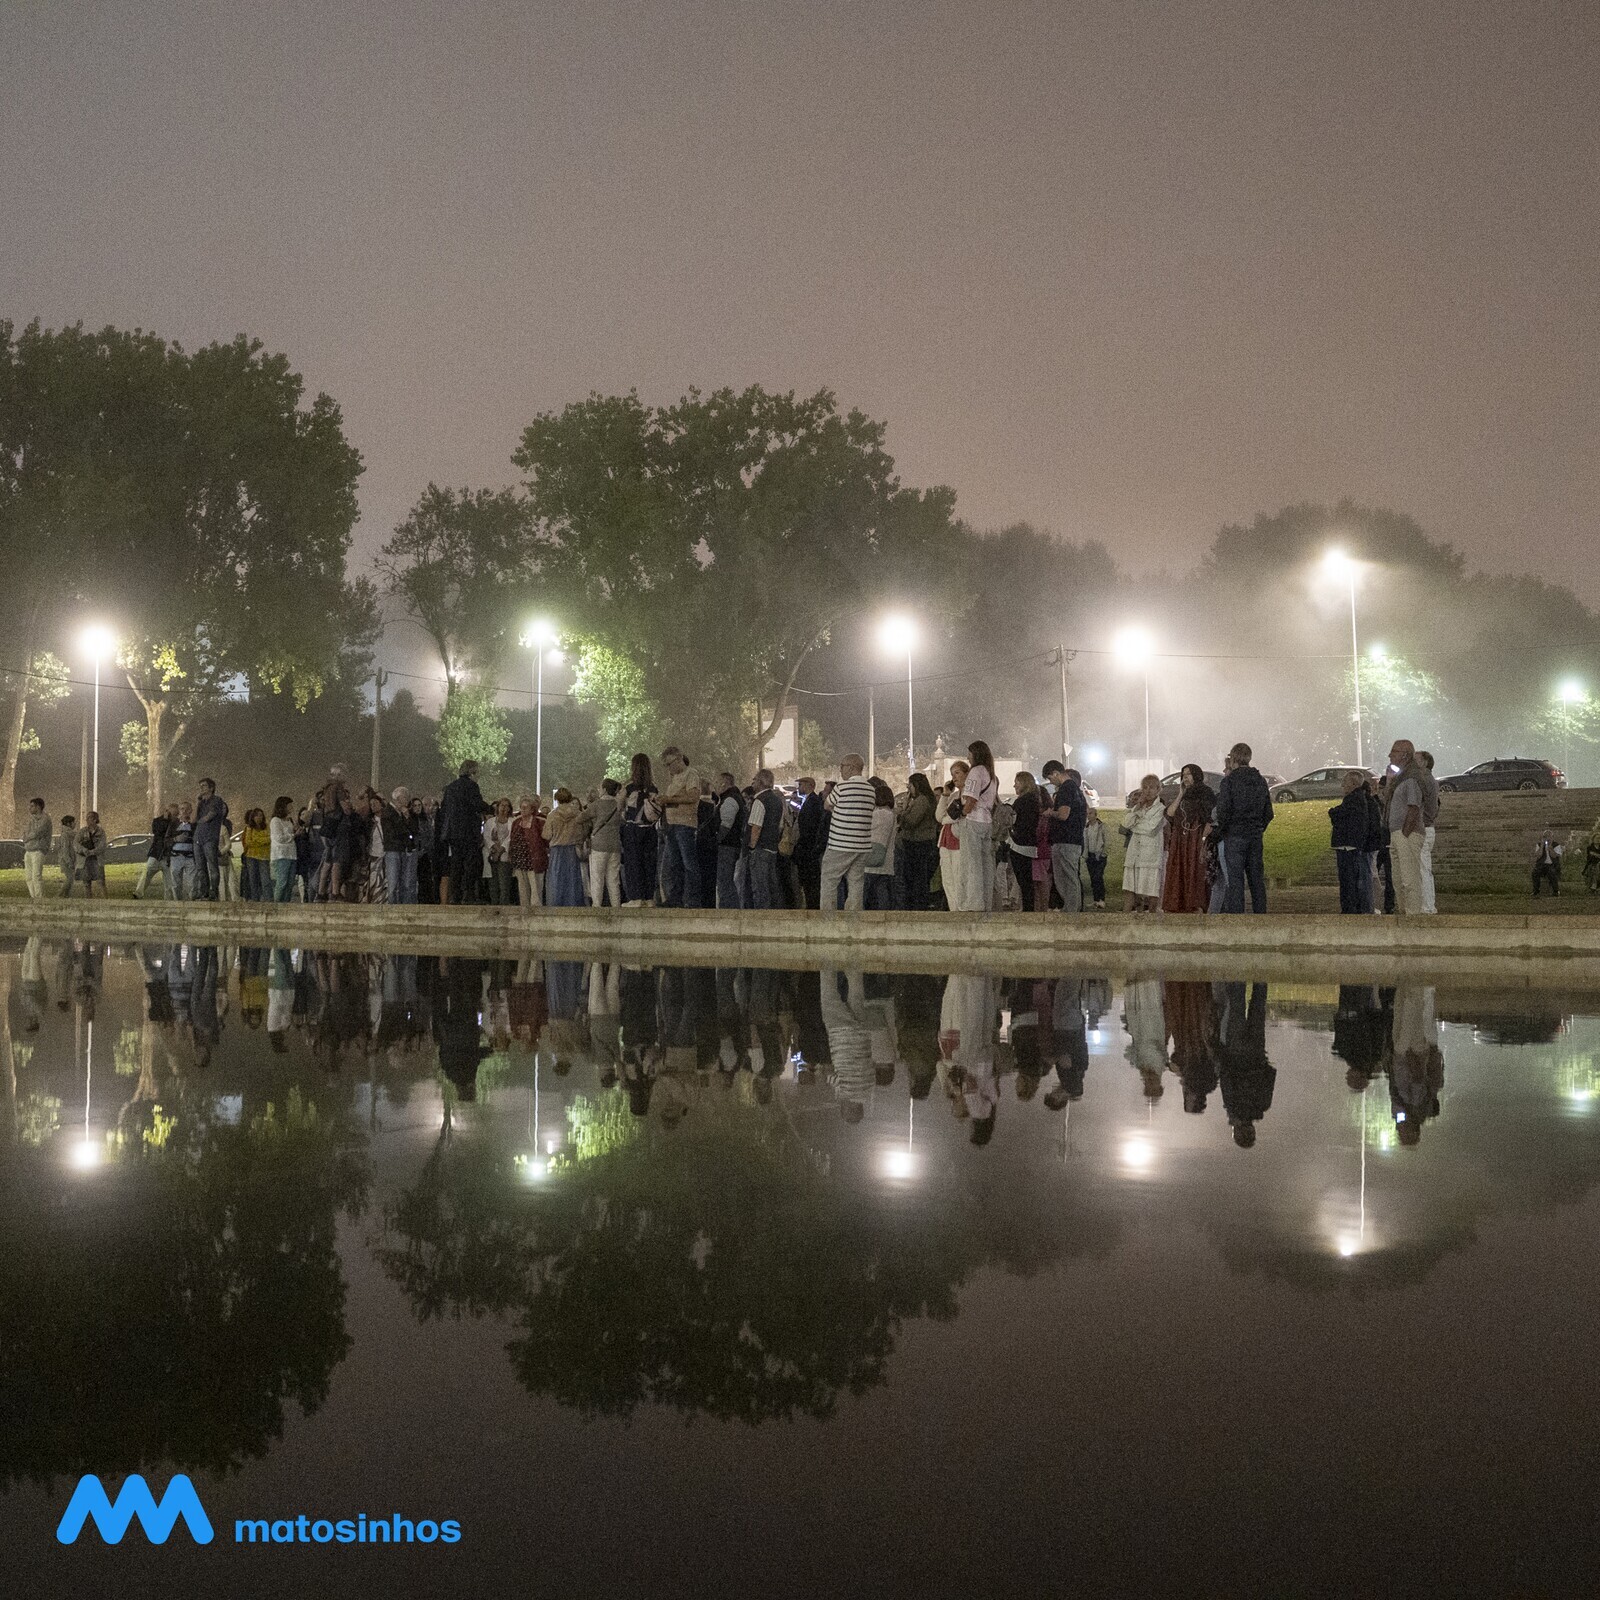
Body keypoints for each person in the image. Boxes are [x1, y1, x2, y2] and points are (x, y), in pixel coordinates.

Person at [1214, 742, 1273, 914]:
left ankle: (1237, 919)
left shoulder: (1229, 781)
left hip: (1234, 835)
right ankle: (1260, 916)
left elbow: (1223, 811)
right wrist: (1259, 827)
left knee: (1235, 881)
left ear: (1233, 758)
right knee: (1256, 880)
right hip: (1254, 835)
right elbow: (1268, 812)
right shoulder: (1260, 781)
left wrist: (1223, 830)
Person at [947, 741, 1000, 912]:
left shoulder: (976, 771)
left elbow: (971, 799)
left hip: (973, 820)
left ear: (976, 754)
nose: (967, 757)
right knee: (986, 865)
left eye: (969, 753)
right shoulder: (991, 774)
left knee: (971, 864)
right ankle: (986, 902)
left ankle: (973, 903)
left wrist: (963, 813)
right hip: (987, 821)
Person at [820, 753, 876, 914]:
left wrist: (838, 811)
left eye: (842, 766)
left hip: (840, 844)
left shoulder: (842, 787)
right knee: (856, 882)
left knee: (829, 880)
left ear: (851, 767)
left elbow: (827, 805)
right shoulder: (871, 790)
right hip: (862, 845)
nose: (840, 770)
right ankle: (853, 918)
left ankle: (827, 918)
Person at [1160, 763, 1214, 913]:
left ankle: (1196, 903)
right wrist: (1180, 794)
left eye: (1188, 774)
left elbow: (1210, 818)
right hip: (1181, 839)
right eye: (1183, 775)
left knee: (1195, 868)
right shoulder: (1183, 794)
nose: (1185, 778)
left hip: (1196, 837)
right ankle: (1178, 902)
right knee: (1179, 868)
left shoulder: (1206, 793)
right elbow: (1169, 814)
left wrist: (1203, 838)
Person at [658, 746, 704, 909]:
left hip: (685, 824)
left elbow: (693, 796)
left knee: (689, 863)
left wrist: (670, 799)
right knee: (674, 863)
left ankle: (693, 900)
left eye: (669, 764)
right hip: (672, 824)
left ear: (679, 759)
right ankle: (676, 897)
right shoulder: (674, 778)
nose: (668, 768)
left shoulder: (691, 774)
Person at [1385, 739, 1426, 914]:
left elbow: (1414, 807)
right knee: (1398, 879)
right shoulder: (1400, 778)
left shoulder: (1412, 778)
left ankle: (1413, 915)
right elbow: (1387, 800)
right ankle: (1403, 913)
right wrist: (1389, 782)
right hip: (1396, 833)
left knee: (1409, 878)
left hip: (1406, 833)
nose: (1390, 755)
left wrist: (1405, 832)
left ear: (1405, 755)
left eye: (1394, 752)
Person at [439, 759, 489, 905]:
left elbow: (444, 808)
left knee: (456, 864)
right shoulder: (472, 786)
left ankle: (454, 895)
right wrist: (490, 808)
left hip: (453, 833)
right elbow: (476, 804)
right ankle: (468, 895)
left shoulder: (450, 787)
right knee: (470, 864)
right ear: (472, 772)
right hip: (468, 832)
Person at [1041, 761, 1089, 913]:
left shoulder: (1065, 789)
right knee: (1068, 877)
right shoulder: (1075, 789)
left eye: (1050, 778)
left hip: (1065, 839)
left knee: (1066, 878)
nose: (1051, 782)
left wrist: (1050, 813)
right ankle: (1071, 908)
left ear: (1056, 773)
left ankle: (1071, 910)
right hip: (1073, 839)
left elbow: (1063, 814)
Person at [1329, 768, 1372, 914]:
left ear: (1353, 784)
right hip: (1350, 844)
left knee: (1348, 879)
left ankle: (1350, 908)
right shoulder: (1358, 799)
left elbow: (1339, 814)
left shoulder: (1354, 800)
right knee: (1350, 878)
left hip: (1348, 845)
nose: (1342, 785)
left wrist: (1333, 812)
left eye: (1345, 782)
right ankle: (1352, 907)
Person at [620, 753, 660, 906]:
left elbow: (619, 805)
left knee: (633, 863)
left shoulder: (629, 788)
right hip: (650, 829)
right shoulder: (653, 788)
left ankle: (636, 897)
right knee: (649, 863)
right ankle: (649, 898)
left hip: (633, 829)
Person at [895, 773, 938, 911]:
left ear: (917, 785)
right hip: (919, 842)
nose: (908, 788)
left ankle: (916, 905)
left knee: (916, 877)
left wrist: (902, 812)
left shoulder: (922, 800)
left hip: (918, 843)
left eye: (911, 785)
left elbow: (912, 821)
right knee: (918, 877)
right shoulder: (924, 800)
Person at [1121, 775, 1165, 911]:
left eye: (1151, 787)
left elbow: (1151, 829)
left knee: (1151, 891)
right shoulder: (1138, 807)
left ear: (1158, 789)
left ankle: (1151, 918)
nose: (1148, 791)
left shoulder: (1160, 808)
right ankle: (1126, 918)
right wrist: (1137, 807)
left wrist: (1135, 826)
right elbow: (1126, 823)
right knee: (1129, 889)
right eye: (1145, 787)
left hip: (1150, 856)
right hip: (1134, 854)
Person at [744, 769, 785, 910]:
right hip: (772, 848)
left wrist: (751, 847)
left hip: (760, 849)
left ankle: (761, 915)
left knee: (760, 887)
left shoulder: (759, 801)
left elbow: (756, 827)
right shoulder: (777, 800)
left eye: (755, 779)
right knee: (772, 886)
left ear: (761, 782)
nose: (753, 782)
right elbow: (780, 826)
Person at [544, 788, 591, 906]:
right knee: (572, 879)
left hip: (557, 850)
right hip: (572, 849)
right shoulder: (578, 814)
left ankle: (556, 905)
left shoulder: (552, 815)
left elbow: (546, 835)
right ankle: (573, 904)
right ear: (570, 798)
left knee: (556, 879)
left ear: (557, 799)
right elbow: (586, 830)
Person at [1007, 771, 1043, 911]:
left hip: (1019, 844)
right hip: (1028, 844)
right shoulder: (1034, 800)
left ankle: (1028, 909)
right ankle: (1028, 908)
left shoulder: (1023, 801)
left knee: (1024, 881)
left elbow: (1016, 822)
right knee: (1026, 881)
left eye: (1017, 782)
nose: (1014, 785)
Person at [712, 771, 746, 910]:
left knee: (724, 881)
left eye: (717, 782)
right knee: (725, 880)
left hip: (727, 846)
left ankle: (728, 910)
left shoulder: (730, 800)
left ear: (724, 783)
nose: (715, 785)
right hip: (731, 845)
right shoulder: (733, 798)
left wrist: (716, 840)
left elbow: (726, 824)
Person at [587, 779, 623, 907]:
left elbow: (581, 818)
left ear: (605, 789)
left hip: (599, 845)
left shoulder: (597, 804)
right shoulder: (618, 804)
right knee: (613, 879)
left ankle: (597, 907)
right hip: (615, 846)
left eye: (600, 788)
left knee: (597, 878)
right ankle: (616, 906)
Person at [793, 776, 827, 909]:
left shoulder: (813, 802)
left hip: (808, 849)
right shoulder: (809, 801)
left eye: (801, 785)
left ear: (809, 785)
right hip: (807, 849)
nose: (799, 788)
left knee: (811, 884)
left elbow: (810, 827)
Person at [864, 777, 898, 910]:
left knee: (866, 895)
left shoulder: (879, 814)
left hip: (871, 860)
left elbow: (865, 827)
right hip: (887, 862)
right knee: (882, 894)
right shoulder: (892, 814)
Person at [383, 786, 420, 905]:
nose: (408, 801)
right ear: (399, 798)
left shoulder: (406, 813)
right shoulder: (388, 812)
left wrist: (407, 817)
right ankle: (393, 905)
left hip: (404, 850)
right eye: (406, 798)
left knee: (406, 882)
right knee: (393, 882)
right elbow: (394, 833)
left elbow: (414, 830)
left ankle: (405, 905)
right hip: (393, 850)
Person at [192, 778, 228, 900]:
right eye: (200, 786)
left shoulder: (217, 800)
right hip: (198, 837)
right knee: (200, 867)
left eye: (204, 786)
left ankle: (214, 891)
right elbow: (193, 820)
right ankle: (204, 892)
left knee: (212, 866)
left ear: (211, 788)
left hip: (210, 837)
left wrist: (200, 821)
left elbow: (209, 816)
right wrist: (197, 803)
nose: (201, 788)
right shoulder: (201, 803)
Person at [510, 794, 548, 908]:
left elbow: (546, 841)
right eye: (521, 807)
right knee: (523, 890)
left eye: (525, 807)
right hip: (520, 860)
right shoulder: (516, 822)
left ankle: (537, 912)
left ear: (532, 809)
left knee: (536, 891)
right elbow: (512, 840)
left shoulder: (539, 822)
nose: (523, 810)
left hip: (535, 860)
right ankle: (524, 911)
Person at [131, 804, 176, 899]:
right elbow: (159, 832)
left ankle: (169, 898)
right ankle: (138, 893)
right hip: (156, 853)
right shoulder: (157, 821)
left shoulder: (175, 823)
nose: (175, 816)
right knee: (147, 872)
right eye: (173, 813)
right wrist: (165, 820)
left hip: (168, 856)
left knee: (169, 880)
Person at [1416, 751, 1441, 914]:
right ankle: (1428, 905)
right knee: (1425, 868)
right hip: (1428, 827)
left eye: (1416, 760)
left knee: (1422, 869)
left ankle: (1426, 906)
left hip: (1423, 828)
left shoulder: (1424, 781)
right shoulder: (1431, 780)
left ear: (1424, 762)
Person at [484, 798, 515, 905]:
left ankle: (504, 906)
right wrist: (494, 848)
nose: (504, 808)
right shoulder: (490, 822)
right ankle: (494, 905)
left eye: (507, 806)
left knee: (504, 884)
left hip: (505, 854)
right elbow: (486, 837)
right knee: (493, 884)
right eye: (502, 805)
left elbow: (511, 838)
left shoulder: (512, 822)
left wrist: (501, 850)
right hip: (491, 854)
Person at [21, 798, 51, 903]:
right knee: (28, 877)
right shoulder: (31, 819)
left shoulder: (45, 819)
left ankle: (39, 898)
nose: (29, 808)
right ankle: (33, 897)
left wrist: (28, 837)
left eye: (32, 806)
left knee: (36, 875)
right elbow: (26, 832)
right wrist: (26, 837)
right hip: (29, 849)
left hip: (38, 850)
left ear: (38, 807)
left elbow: (38, 832)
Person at [269, 796, 297, 902]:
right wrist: (293, 835)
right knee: (282, 882)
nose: (291, 807)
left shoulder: (289, 820)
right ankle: (276, 905)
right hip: (281, 855)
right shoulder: (275, 821)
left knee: (290, 883)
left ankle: (286, 904)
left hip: (291, 854)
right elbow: (279, 838)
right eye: (289, 805)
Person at [240, 807, 271, 901]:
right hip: (251, 856)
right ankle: (255, 900)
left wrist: (256, 840)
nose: (259, 817)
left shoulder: (267, 827)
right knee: (253, 880)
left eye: (261, 815)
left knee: (265, 880)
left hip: (264, 856)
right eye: (257, 815)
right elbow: (248, 842)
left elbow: (269, 839)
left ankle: (268, 899)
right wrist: (262, 841)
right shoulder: (249, 828)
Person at [167, 802, 196, 899]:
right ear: (179, 811)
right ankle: (177, 902)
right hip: (176, 857)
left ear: (191, 811)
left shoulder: (194, 825)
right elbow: (166, 840)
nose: (184, 811)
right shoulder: (173, 824)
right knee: (176, 884)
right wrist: (176, 839)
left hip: (190, 857)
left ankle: (191, 903)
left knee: (192, 883)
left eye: (187, 809)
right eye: (182, 809)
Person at [77, 812, 109, 899]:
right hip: (86, 860)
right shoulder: (83, 831)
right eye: (87, 818)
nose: (87, 820)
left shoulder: (100, 832)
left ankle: (106, 901)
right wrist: (83, 850)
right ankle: (89, 901)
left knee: (101, 882)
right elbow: (76, 843)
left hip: (97, 860)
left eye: (89, 818)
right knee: (87, 883)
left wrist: (93, 852)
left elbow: (102, 845)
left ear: (95, 820)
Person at [1082, 807, 1108, 909]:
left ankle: (1101, 899)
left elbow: (1106, 840)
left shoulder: (1101, 826)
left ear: (1095, 815)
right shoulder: (1086, 827)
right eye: (1087, 814)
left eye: (1090, 813)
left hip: (1099, 856)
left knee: (1098, 877)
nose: (1088, 816)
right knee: (1093, 878)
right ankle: (1096, 899)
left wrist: (1103, 853)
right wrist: (1085, 855)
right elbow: (1085, 841)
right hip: (1090, 855)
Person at [1532, 829, 1563, 897]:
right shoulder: (1539, 845)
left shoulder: (1556, 845)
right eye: (1545, 836)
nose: (1547, 838)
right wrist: (1542, 846)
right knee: (1535, 872)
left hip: (1553, 865)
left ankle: (1555, 891)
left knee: (1552, 872)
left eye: (1549, 836)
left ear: (1552, 837)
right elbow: (1538, 856)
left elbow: (1554, 856)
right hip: (1542, 865)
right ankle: (1536, 891)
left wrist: (1550, 848)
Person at [56, 814, 78, 896]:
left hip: (70, 859)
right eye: (73, 822)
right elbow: (65, 849)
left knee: (70, 879)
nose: (75, 824)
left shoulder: (70, 834)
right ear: (69, 823)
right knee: (70, 878)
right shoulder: (65, 835)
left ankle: (66, 895)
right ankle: (60, 895)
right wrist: (69, 861)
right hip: (66, 860)